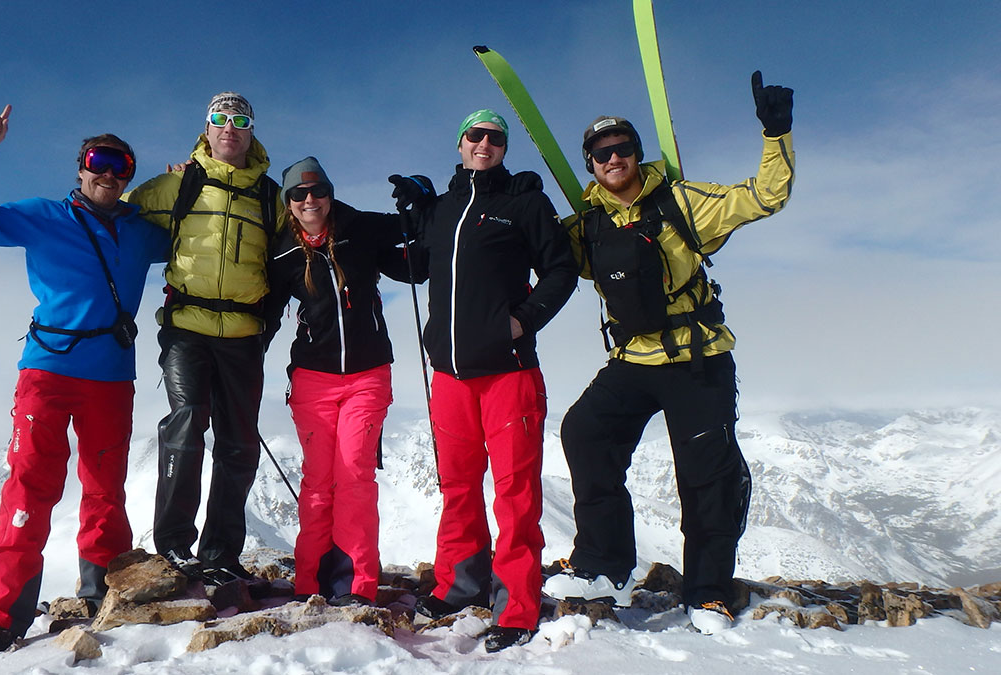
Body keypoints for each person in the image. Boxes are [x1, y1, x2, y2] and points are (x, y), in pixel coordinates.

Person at [544, 72, 794, 634]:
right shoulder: (585, 227)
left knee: (706, 476)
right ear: (590, 165)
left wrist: (775, 134)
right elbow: (533, 248)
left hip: (697, 360)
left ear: (636, 152)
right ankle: (603, 563)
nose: (614, 158)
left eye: (622, 148)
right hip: (633, 362)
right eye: (601, 153)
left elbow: (765, 196)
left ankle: (707, 592)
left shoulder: (681, 202)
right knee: (585, 431)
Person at [0, 105, 169, 657]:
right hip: (48, 370)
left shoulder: (142, 231)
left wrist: (187, 180)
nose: (108, 174)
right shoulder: (43, 216)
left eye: (121, 167)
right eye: (98, 162)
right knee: (29, 488)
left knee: (105, 489)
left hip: (112, 376)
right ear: (81, 168)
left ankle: (100, 593)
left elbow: (197, 239)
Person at [388, 110, 577, 652]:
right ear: (461, 141)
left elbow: (561, 269)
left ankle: (517, 604)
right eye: (476, 135)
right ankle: (458, 585)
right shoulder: (443, 207)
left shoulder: (523, 203)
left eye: (495, 137)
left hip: (508, 373)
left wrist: (523, 319)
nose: (485, 143)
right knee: (458, 486)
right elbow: (412, 268)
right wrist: (409, 216)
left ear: (503, 147)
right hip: (449, 374)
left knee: (516, 492)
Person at [124, 92, 286, 584]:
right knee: (187, 422)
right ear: (207, 127)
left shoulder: (271, 195)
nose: (230, 128)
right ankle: (174, 545)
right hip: (186, 328)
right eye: (220, 119)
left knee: (238, 443)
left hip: (243, 332)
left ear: (251, 131)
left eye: (240, 120)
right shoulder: (178, 184)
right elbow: (114, 214)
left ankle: (221, 554)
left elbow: (295, 247)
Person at [261, 157, 412, 607]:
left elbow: (412, 240)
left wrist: (420, 200)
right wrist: (236, 364)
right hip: (312, 379)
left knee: (355, 476)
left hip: (367, 375)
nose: (311, 200)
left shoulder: (360, 229)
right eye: (299, 194)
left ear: (330, 192)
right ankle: (309, 584)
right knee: (318, 482)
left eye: (318, 190)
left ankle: (355, 585)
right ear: (288, 203)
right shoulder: (282, 252)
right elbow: (265, 316)